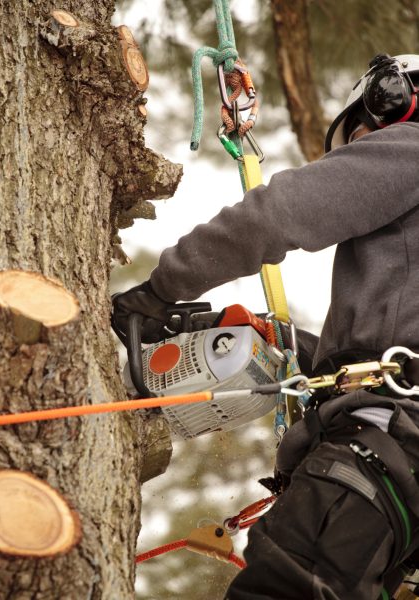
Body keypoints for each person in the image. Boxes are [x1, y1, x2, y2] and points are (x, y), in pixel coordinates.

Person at [112, 53, 419, 599]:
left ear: (396, 103)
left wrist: (160, 290)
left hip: (384, 450)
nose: (358, 157)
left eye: (358, 142)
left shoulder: (411, 148)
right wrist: (287, 345)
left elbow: (279, 214)